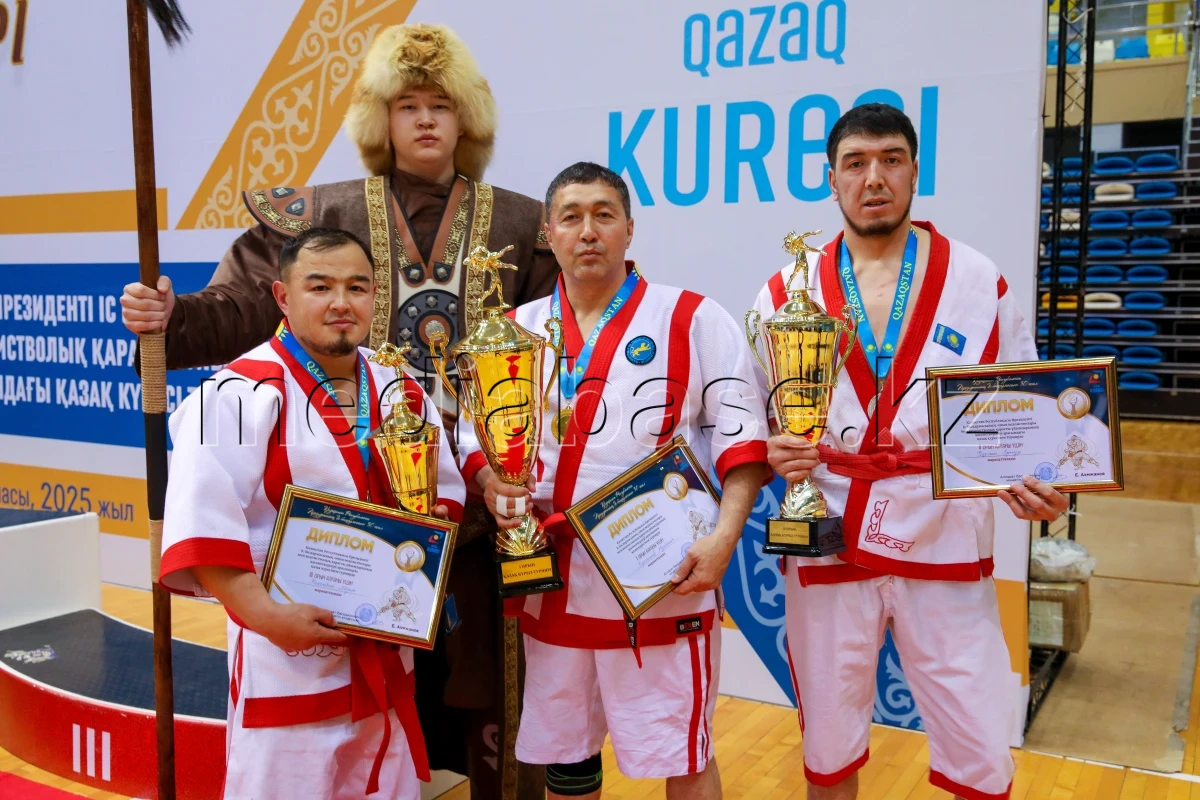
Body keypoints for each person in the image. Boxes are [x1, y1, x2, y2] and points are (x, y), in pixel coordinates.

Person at [121, 23, 557, 798]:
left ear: (468, 117)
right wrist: (173, 318)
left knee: (487, 706)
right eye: (407, 105)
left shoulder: (526, 225)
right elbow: (239, 304)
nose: (425, 121)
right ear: (379, 118)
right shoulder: (321, 211)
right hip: (342, 544)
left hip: (482, 509)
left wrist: (510, 474)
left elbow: (567, 343)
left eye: (441, 105)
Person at [748, 103, 1069, 800]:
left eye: (891, 160)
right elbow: (754, 412)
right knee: (828, 745)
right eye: (855, 163)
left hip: (943, 529)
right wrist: (775, 449)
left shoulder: (978, 279)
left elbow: (1029, 407)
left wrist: (1045, 481)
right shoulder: (785, 290)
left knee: (979, 744)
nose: (874, 178)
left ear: (915, 171)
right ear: (831, 178)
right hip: (828, 529)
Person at [459, 162, 771, 800]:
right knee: (568, 759)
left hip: (665, 578)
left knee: (685, 753)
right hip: (553, 576)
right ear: (549, 233)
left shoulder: (692, 317)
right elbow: (474, 437)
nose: (588, 231)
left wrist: (724, 539)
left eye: (604, 215)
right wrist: (493, 481)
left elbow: (742, 439)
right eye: (571, 217)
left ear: (630, 229)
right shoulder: (512, 331)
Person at [158, 227, 467, 799]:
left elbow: (442, 498)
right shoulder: (233, 393)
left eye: (357, 287)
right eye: (320, 287)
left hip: (386, 649)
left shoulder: (401, 385)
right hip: (286, 661)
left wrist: (413, 576)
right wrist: (269, 618)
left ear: (375, 296)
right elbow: (204, 527)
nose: (340, 303)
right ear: (283, 296)